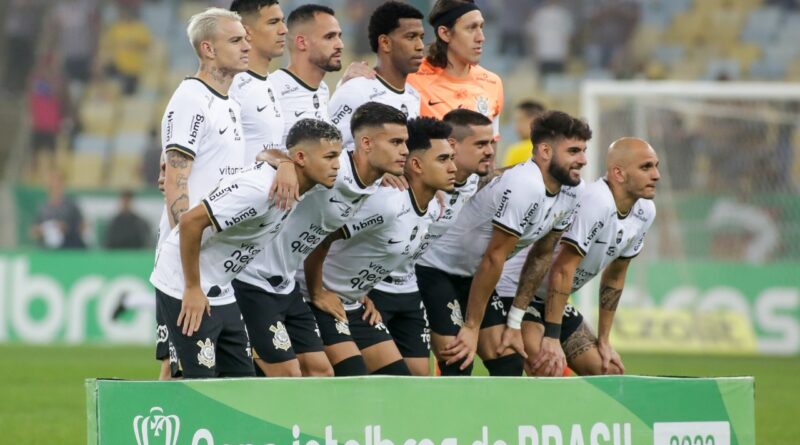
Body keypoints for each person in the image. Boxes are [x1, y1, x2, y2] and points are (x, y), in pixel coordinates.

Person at [149, 119, 343, 379]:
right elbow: (190, 222)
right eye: (330, 156)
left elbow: (267, 154)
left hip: (223, 287)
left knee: (242, 383)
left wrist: (282, 161)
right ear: (300, 158)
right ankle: (154, 416)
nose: (337, 165)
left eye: (338, 156)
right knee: (197, 383)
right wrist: (193, 288)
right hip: (182, 282)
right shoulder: (259, 189)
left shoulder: (297, 184)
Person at [232, 102, 410, 377]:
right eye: (396, 142)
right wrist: (285, 164)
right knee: (287, 374)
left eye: (406, 143)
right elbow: (267, 152)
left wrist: (331, 291)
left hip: (287, 284)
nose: (405, 151)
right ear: (366, 143)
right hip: (253, 278)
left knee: (321, 372)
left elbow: (323, 238)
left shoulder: (372, 183)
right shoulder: (333, 170)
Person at [420, 110, 590, 375]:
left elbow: (542, 255)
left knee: (508, 361)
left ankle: (491, 419)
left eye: (583, 151)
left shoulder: (573, 189)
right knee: (458, 361)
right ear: (545, 151)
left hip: (473, 276)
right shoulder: (525, 185)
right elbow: (494, 257)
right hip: (434, 268)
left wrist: (514, 322)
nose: (583, 160)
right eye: (574, 151)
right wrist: (472, 328)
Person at [305, 117, 456, 376]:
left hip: (355, 304)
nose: (453, 167)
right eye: (443, 159)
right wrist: (318, 291)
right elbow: (319, 241)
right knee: (353, 374)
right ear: (417, 165)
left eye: (452, 158)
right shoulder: (386, 204)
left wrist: (362, 292)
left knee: (403, 380)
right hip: (319, 300)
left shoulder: (432, 207)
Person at [505, 137, 659, 377]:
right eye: (646, 167)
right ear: (618, 173)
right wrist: (553, 338)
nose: (656, 175)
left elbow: (616, 275)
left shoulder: (645, 212)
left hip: (549, 299)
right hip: (516, 290)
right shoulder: (597, 201)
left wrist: (604, 340)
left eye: (656, 166)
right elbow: (562, 269)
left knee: (608, 371)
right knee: (548, 367)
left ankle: (589, 416)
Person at [153, 7, 251, 380]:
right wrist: (188, 273)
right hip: (188, 269)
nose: (246, 46)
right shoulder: (191, 99)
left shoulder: (229, 103)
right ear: (208, 49)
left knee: (228, 385)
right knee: (187, 382)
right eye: (236, 40)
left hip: (217, 269)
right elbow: (176, 182)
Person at [371, 109, 494, 375]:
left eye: (492, 143)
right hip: (373, 290)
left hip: (408, 288)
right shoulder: (387, 199)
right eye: (481, 144)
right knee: (387, 376)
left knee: (424, 377)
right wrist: (353, 293)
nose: (490, 151)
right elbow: (334, 242)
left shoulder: (459, 187)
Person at [328, 1, 425, 150]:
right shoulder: (355, 90)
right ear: (385, 43)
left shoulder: (414, 95)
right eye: (411, 37)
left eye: (421, 37)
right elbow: (324, 148)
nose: (420, 46)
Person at [407, 0, 503, 138]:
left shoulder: (493, 83)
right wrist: (363, 72)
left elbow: (490, 153)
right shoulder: (411, 77)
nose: (481, 37)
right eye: (471, 28)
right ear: (445, 33)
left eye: (481, 27)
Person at [269, 4, 341, 145]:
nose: (340, 44)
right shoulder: (272, 88)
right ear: (302, 43)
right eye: (329, 37)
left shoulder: (323, 89)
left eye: (339, 36)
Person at [229, 0, 287, 162]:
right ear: (247, 32)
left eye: (283, 21)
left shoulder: (268, 82)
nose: (284, 30)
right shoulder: (232, 85)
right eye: (273, 22)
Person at [30, 171, 86, 249]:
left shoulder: (71, 206)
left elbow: (82, 227)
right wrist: (42, 230)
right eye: (52, 182)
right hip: (46, 250)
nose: (55, 185)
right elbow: (34, 230)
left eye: (58, 182)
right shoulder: (43, 207)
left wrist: (67, 228)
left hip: (68, 249)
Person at [502, 100, 545, 167]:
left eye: (520, 120)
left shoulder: (516, 150)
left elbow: (506, 176)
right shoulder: (554, 149)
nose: (516, 127)